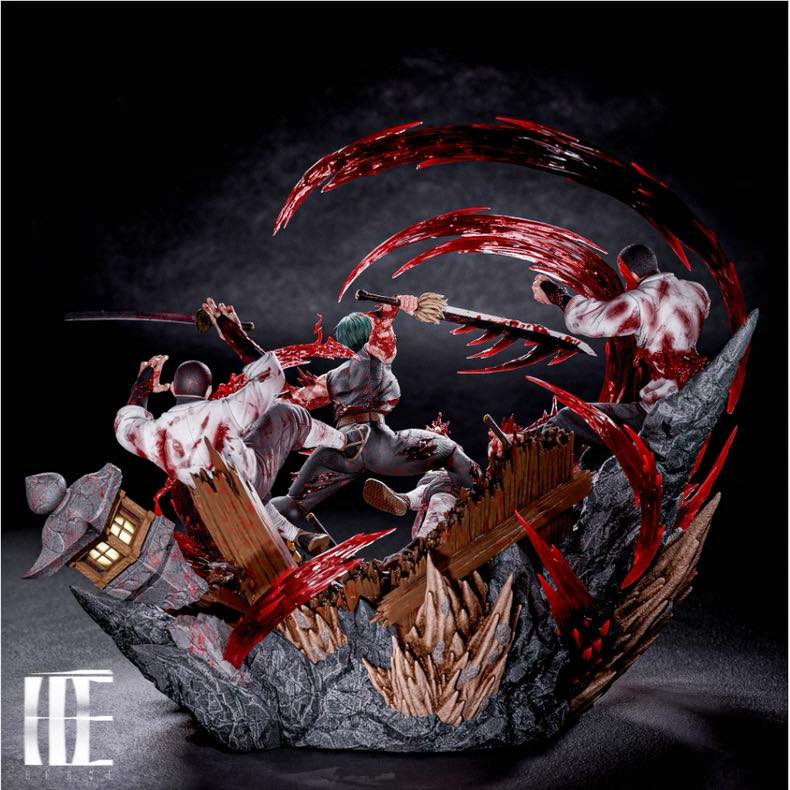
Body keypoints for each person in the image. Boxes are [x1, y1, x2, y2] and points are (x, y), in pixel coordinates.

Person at [113, 299, 368, 556]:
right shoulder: (224, 410)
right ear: (208, 390)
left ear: (173, 390)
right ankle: (345, 443)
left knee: (234, 466)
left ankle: (296, 536)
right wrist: (232, 332)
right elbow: (272, 377)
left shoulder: (154, 434)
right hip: (250, 480)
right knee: (285, 413)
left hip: (211, 501)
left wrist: (143, 382)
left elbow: (125, 424)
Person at [269, 295, 480, 523]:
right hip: (376, 443)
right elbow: (382, 333)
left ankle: (262, 514)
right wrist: (394, 306)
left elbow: (291, 403)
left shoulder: (330, 378)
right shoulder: (373, 356)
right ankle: (480, 495)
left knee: (293, 503)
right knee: (451, 452)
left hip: (339, 446)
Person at [528, 242, 710, 465]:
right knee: (592, 458)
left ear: (629, 273)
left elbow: (588, 321)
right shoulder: (697, 292)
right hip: (690, 403)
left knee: (568, 418)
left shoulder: (640, 301)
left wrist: (555, 294)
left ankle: (521, 449)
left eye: (625, 277)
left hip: (656, 415)